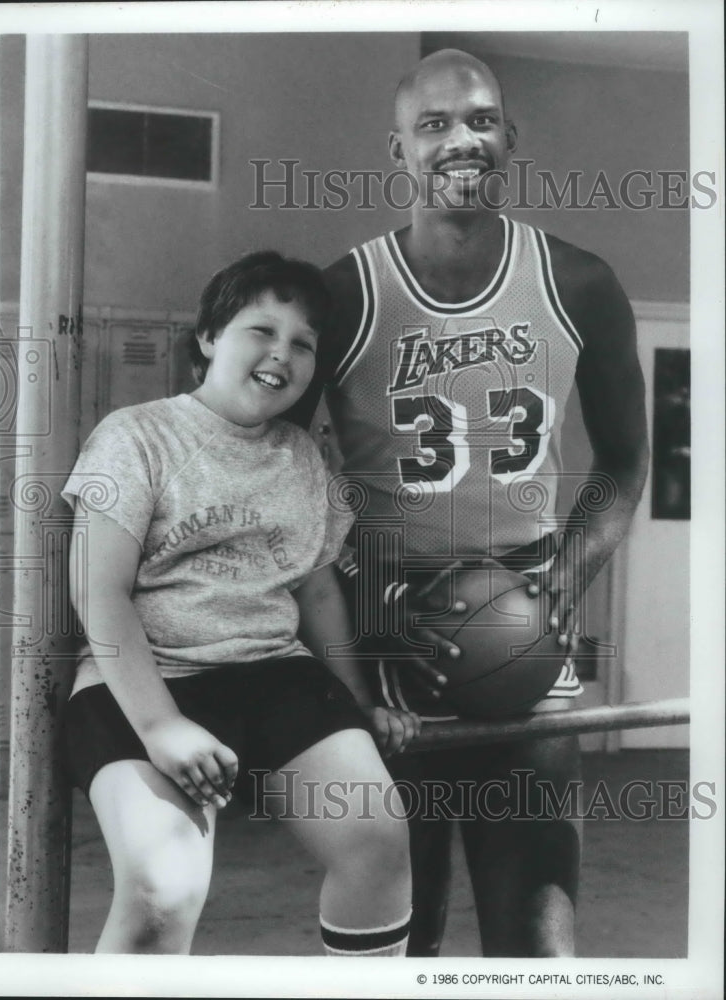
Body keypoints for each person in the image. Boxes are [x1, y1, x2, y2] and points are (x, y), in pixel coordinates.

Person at [293, 49, 649, 957]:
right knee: (400, 942)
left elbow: (623, 461)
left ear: (509, 139)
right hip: (387, 647)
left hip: (524, 638)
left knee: (537, 949)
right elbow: (282, 482)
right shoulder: (343, 294)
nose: (462, 140)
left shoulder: (578, 282)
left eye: (481, 120)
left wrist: (564, 582)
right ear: (396, 149)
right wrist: (359, 623)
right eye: (435, 124)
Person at [61, 251, 421, 956]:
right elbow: (96, 590)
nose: (280, 354)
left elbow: (316, 586)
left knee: (377, 839)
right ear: (208, 338)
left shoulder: (301, 455)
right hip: (144, 677)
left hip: (271, 671)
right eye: (260, 330)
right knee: (163, 889)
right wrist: (162, 725)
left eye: (302, 343)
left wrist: (356, 700)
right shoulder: (136, 435)